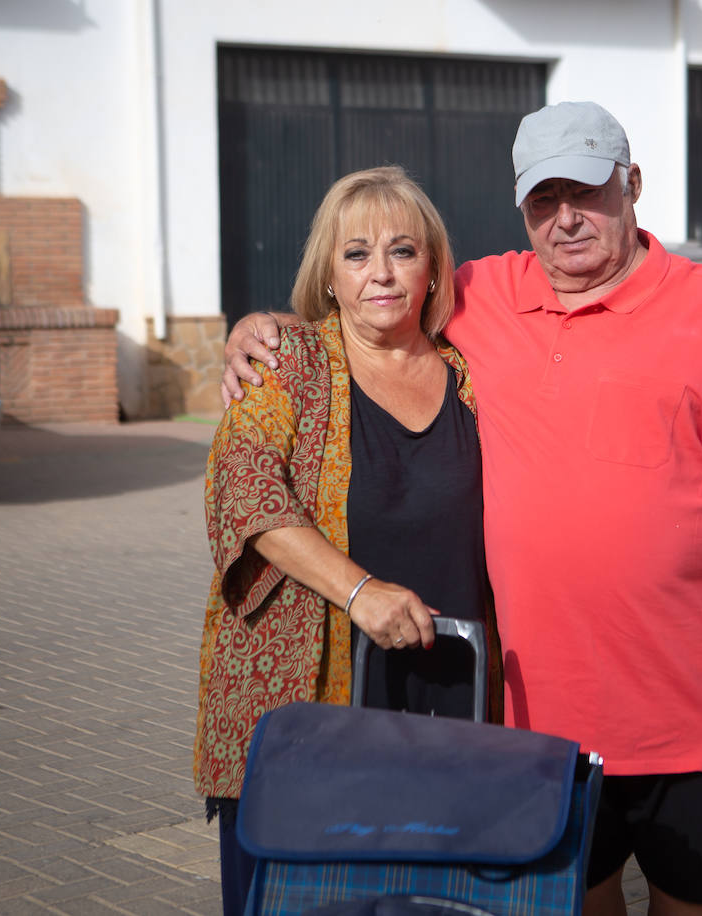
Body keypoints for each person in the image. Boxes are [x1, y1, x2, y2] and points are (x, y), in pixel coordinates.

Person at [221, 102, 702, 916]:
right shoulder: (484, 294)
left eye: (587, 193)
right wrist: (264, 329)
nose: (566, 220)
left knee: (688, 901)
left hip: (686, 700)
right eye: (544, 201)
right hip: (537, 711)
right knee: (575, 893)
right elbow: (370, 301)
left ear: (632, 185)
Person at [196, 165, 499, 916]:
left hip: (447, 695)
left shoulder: (472, 375)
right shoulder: (287, 362)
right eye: (356, 254)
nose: (382, 274)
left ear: (433, 267)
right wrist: (362, 593)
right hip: (310, 703)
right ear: (328, 276)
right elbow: (245, 490)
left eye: (403, 250)